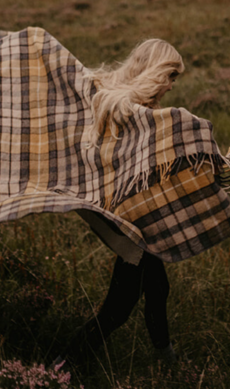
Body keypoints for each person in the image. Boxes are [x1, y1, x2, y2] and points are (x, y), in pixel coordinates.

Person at [55, 39, 184, 367]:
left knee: (158, 288)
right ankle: (63, 366)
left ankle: (166, 356)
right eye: (170, 76)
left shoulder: (135, 104)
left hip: (139, 214)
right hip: (126, 218)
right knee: (118, 307)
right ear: (154, 71)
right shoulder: (123, 105)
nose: (171, 85)